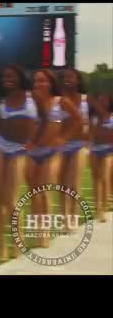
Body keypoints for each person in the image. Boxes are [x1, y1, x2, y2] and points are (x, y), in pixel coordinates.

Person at [0, 65, 46, 261]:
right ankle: (2, 248)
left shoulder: (33, 97)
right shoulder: (1, 102)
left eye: (11, 75)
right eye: (4, 76)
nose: (7, 79)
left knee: (13, 200)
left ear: (20, 77)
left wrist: (34, 142)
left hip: (19, 149)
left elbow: (46, 119)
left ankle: (18, 243)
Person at [25, 69, 81, 247]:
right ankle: (38, 230)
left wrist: (63, 138)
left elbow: (78, 120)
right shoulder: (30, 102)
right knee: (34, 193)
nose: (38, 84)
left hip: (52, 153)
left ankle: (45, 233)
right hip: (31, 153)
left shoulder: (60, 101)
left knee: (45, 191)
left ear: (50, 83)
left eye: (42, 81)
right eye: (36, 81)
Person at [58, 69, 90, 221]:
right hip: (63, 146)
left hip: (79, 145)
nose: (67, 79)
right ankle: (64, 216)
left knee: (75, 182)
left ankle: (74, 216)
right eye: (65, 77)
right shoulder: (60, 100)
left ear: (78, 80)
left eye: (71, 76)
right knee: (62, 184)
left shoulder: (86, 100)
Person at [87, 94, 113, 223]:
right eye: (100, 99)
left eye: (104, 99)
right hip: (95, 149)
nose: (102, 101)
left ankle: (103, 208)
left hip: (108, 151)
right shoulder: (93, 117)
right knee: (96, 179)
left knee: (104, 178)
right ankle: (98, 208)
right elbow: (91, 133)